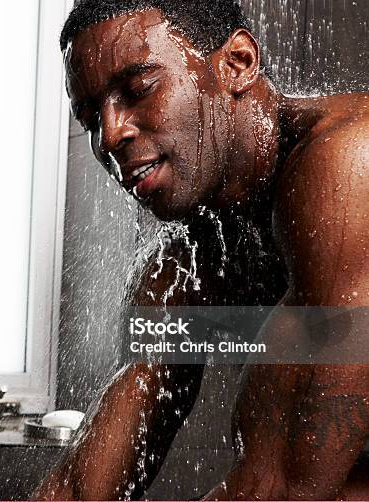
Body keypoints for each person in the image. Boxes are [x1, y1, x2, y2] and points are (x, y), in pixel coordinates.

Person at [33, 0, 369, 500]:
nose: (110, 133)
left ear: (237, 63)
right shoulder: (188, 265)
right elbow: (79, 491)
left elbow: (282, 488)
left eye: (138, 89)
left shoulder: (347, 165)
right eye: (90, 117)